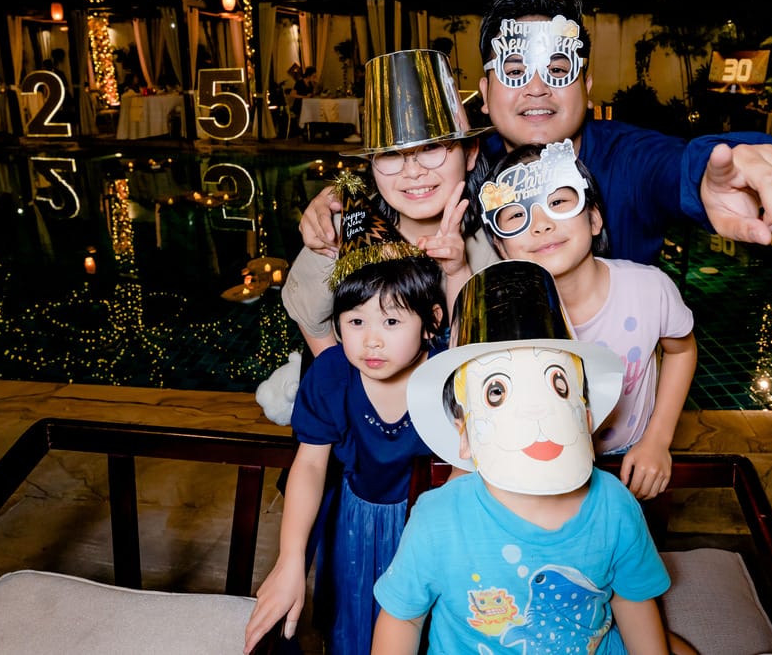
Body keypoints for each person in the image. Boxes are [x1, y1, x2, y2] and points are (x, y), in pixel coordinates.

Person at [301, 0, 772, 267]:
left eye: (556, 70)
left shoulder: (627, 159)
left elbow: (678, 165)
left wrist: (713, 173)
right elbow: (406, 174)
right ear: (485, 92)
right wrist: (341, 199)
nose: (536, 89)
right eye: (515, 71)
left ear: (586, 86)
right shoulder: (470, 158)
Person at [373, 260, 684, 655]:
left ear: (587, 418)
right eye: (496, 392)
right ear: (463, 436)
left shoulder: (614, 505)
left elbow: (633, 602)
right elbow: (403, 617)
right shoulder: (437, 520)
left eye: (559, 384)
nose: (535, 412)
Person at [243, 254, 446, 655]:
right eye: (356, 321)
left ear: (431, 322)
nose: (371, 340)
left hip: (427, 526)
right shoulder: (332, 372)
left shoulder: (449, 376)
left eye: (391, 321)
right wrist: (290, 559)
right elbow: (310, 462)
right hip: (354, 522)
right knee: (351, 618)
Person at [480, 140, 696, 500]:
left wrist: (658, 439)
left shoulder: (650, 289)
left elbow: (681, 351)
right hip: (541, 463)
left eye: (558, 202)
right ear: (500, 246)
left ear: (594, 219)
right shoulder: (502, 316)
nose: (541, 224)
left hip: (629, 459)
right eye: (517, 215)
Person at [281, 49, 499, 358]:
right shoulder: (342, 233)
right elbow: (311, 320)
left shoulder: (502, 237)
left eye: (432, 147)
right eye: (391, 154)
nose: (413, 171)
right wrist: (346, 383)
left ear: (471, 153)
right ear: (371, 164)